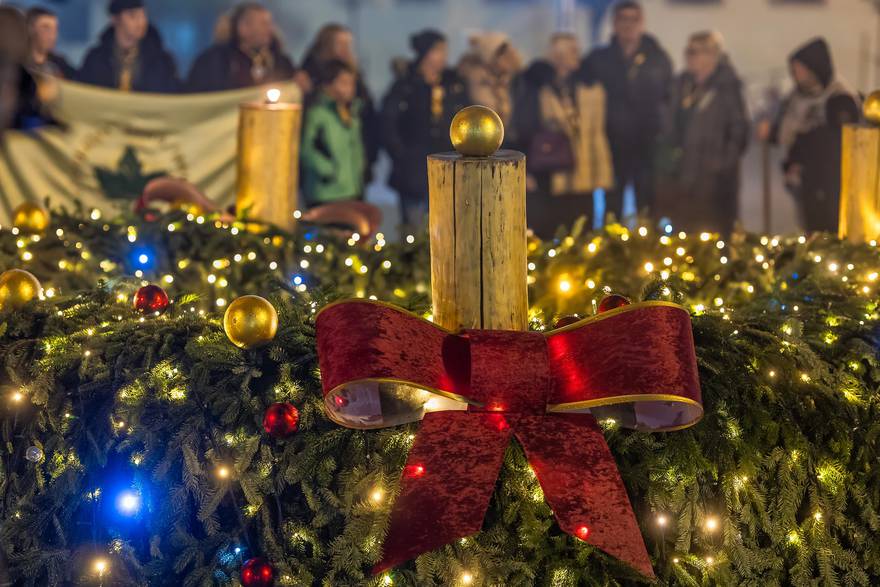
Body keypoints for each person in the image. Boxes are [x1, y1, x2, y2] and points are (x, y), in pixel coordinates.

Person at [513, 32, 613, 239]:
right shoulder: (539, 87)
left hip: (584, 168)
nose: (578, 55)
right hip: (552, 169)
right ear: (558, 57)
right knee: (553, 227)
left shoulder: (588, 84)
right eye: (572, 51)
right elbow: (527, 127)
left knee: (583, 226)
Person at [581, 0, 672, 223]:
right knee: (612, 203)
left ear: (642, 23)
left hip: (648, 143)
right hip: (611, 142)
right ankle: (613, 249)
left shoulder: (658, 59)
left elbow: (669, 98)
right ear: (614, 23)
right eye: (623, 19)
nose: (628, 25)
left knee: (647, 202)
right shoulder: (598, 60)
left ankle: (647, 248)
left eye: (634, 19)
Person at [758, 38, 859, 233]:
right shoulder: (797, 97)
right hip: (804, 181)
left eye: (800, 68)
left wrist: (802, 154)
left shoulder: (839, 98)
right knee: (809, 229)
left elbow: (831, 140)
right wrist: (771, 132)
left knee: (828, 232)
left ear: (814, 68)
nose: (796, 74)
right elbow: (786, 128)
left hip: (830, 181)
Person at [656, 32, 749, 235]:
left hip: (714, 179)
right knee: (684, 231)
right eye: (687, 51)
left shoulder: (726, 87)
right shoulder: (681, 85)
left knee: (712, 231)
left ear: (711, 55)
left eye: (694, 52)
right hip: (681, 175)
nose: (688, 57)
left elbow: (738, 131)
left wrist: (721, 164)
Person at [380, 29, 469, 226]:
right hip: (413, 169)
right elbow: (388, 121)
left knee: (444, 226)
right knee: (415, 226)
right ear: (425, 53)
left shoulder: (452, 84)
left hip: (447, 165)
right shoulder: (406, 85)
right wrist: (401, 153)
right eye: (438, 51)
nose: (443, 56)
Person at [300, 24, 379, 183]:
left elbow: (367, 112)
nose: (346, 49)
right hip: (325, 176)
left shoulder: (355, 75)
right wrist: (326, 168)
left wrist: (367, 160)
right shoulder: (312, 76)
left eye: (348, 45)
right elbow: (308, 143)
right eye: (341, 44)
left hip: (353, 168)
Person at [186, 2, 296, 93]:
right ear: (243, 28)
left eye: (270, 23)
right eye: (264, 24)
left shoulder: (280, 62)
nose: (270, 29)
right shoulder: (214, 62)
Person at [300, 60, 365, 207]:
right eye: (343, 83)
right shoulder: (317, 114)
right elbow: (307, 149)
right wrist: (328, 171)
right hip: (325, 191)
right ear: (328, 85)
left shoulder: (352, 113)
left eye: (351, 83)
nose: (349, 88)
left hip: (351, 188)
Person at [78, 0, 179, 93]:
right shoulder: (95, 59)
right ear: (115, 19)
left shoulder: (162, 61)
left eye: (143, 15)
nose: (141, 22)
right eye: (133, 16)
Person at [456, 31, 523, 131]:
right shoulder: (479, 79)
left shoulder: (506, 79)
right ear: (492, 58)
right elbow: (489, 112)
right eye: (504, 55)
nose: (509, 58)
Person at [25, 7, 75, 79]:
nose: (52, 35)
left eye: (55, 29)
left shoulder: (61, 65)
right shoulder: (20, 67)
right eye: (46, 28)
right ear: (30, 29)